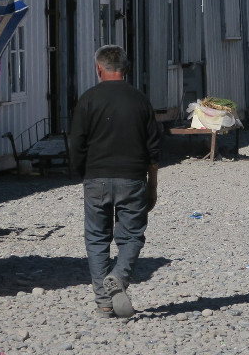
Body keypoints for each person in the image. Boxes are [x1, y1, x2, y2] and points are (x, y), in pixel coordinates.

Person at [68, 45, 161, 318]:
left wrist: (81, 172)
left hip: (95, 177)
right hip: (132, 177)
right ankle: (118, 276)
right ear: (126, 68)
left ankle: (104, 303)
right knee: (131, 236)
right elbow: (153, 148)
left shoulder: (88, 99)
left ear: (99, 68)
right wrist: (152, 185)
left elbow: (77, 143)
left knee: (96, 239)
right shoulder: (140, 100)